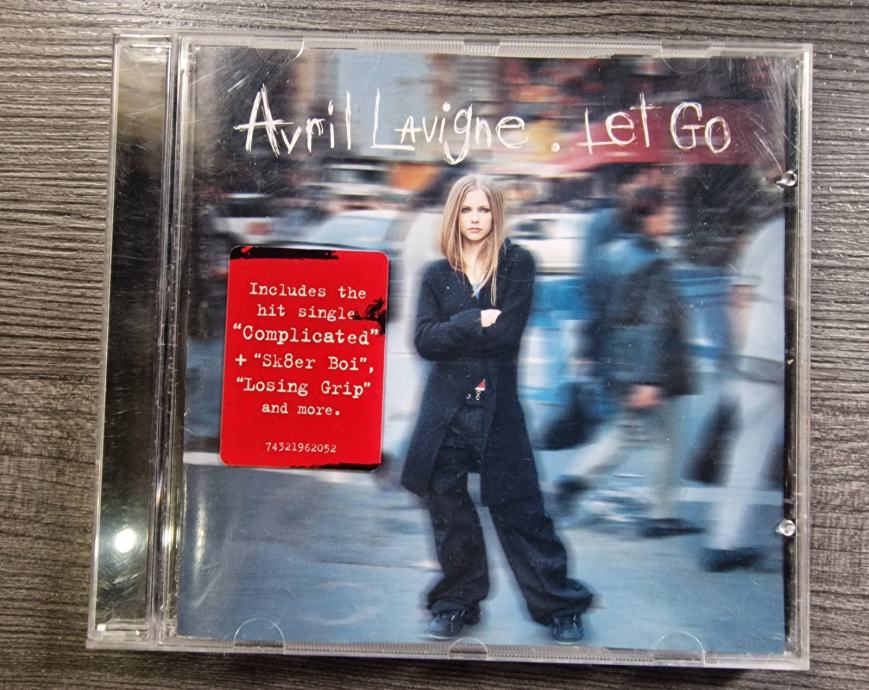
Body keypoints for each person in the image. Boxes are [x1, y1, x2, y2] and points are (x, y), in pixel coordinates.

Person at [401, 175, 594, 644]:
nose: (475, 219)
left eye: (483, 210)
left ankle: (559, 606)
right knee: (449, 514)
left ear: (496, 215)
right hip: (445, 413)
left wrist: (454, 330)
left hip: (496, 410)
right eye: (466, 210)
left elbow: (507, 334)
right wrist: (474, 321)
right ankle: (455, 603)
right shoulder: (436, 274)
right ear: (454, 215)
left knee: (522, 509)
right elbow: (423, 340)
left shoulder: (517, 264)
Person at [555, 189, 700, 538]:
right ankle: (660, 514)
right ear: (643, 218)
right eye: (664, 212)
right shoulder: (653, 263)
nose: (671, 218)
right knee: (664, 438)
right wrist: (649, 379)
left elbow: (597, 309)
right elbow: (653, 324)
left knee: (627, 432)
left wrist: (594, 353)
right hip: (653, 366)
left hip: (620, 361)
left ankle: (575, 480)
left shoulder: (611, 255)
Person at [701, 204, 786, 571]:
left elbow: (740, 296)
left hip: (762, 351)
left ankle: (724, 540)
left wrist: (742, 349)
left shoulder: (770, 232)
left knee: (748, 448)